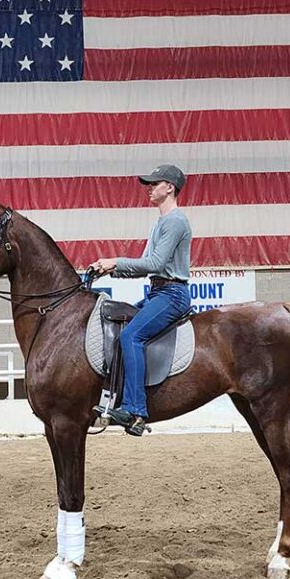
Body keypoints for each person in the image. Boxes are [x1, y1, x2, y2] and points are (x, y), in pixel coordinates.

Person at [90, 164, 192, 436]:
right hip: (158, 291)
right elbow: (147, 267)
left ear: (169, 187)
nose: (149, 188)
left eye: (154, 183)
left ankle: (136, 410)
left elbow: (155, 262)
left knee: (131, 337)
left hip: (172, 294)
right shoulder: (161, 222)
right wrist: (110, 270)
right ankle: (113, 400)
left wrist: (115, 261)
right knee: (122, 331)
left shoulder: (175, 221)